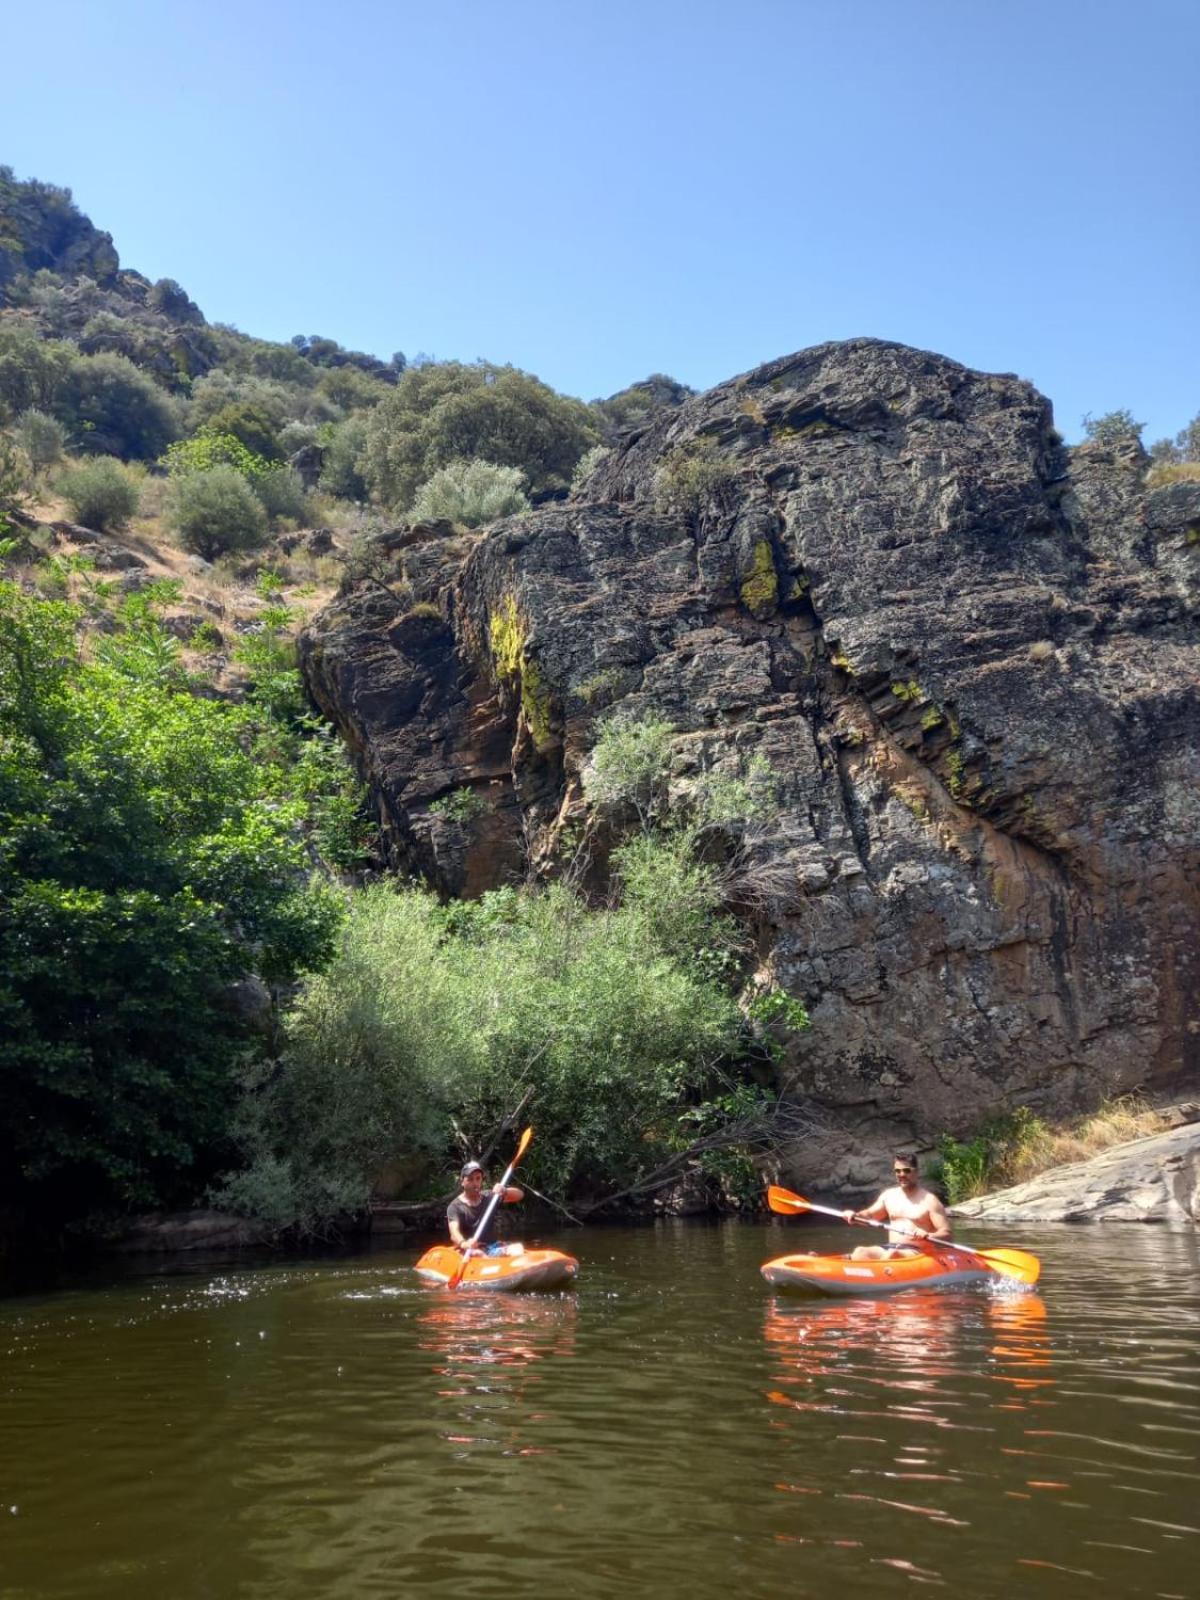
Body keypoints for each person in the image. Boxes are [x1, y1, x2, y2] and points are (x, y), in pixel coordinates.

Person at [842, 1154, 952, 1260]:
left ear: (916, 1172)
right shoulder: (889, 1196)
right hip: (891, 1246)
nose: (902, 1174)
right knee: (860, 1251)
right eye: (897, 1171)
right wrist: (855, 1215)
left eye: (906, 1170)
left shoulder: (930, 1200)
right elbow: (870, 1215)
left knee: (892, 1254)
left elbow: (946, 1233)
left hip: (917, 1251)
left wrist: (928, 1235)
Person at [447, 1160, 525, 1259]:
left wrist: (504, 1190)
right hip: (469, 1250)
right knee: (479, 1255)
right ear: (462, 1181)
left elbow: (520, 1195)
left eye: (478, 1179)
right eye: (470, 1179)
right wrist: (464, 1244)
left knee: (518, 1249)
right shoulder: (455, 1207)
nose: (475, 1183)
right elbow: (454, 1233)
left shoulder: (490, 1197)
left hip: (491, 1246)